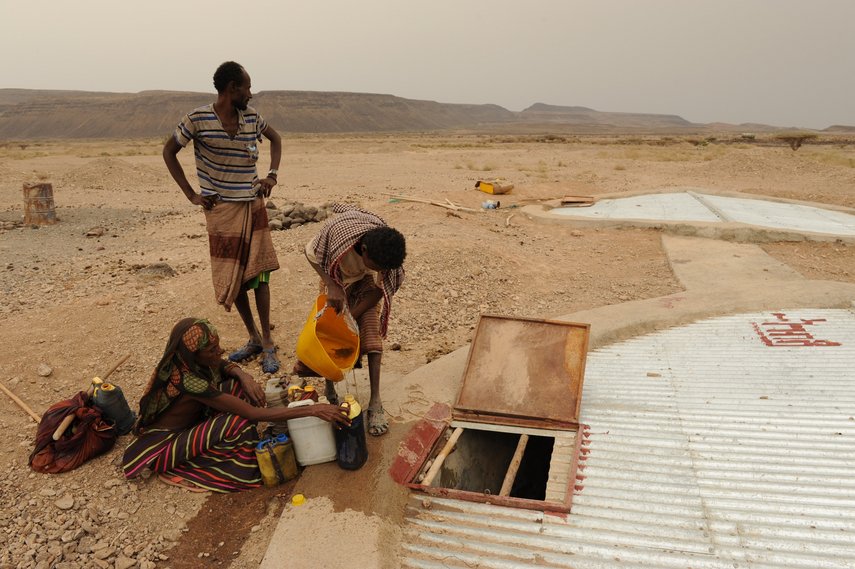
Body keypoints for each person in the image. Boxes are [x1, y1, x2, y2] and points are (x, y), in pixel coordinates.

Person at [122, 318, 349, 492]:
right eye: (211, 350)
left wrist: (242, 374)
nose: (219, 352)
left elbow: (222, 364)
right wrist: (313, 410)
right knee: (238, 423)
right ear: (193, 355)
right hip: (166, 442)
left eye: (217, 346)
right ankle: (184, 469)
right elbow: (253, 413)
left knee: (239, 389)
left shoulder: (189, 362)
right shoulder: (187, 380)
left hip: (193, 418)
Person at [162, 61, 282, 374]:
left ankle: (268, 342)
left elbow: (276, 139)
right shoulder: (197, 119)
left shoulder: (251, 118)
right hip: (221, 213)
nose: (251, 94)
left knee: (260, 275)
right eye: (247, 87)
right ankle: (253, 337)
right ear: (232, 89)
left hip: (253, 206)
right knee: (237, 280)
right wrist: (191, 194)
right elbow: (168, 152)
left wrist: (271, 175)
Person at [294, 204, 405, 437]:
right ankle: (330, 384)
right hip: (335, 279)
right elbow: (309, 253)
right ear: (363, 250)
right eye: (379, 266)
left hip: (365, 283)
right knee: (328, 336)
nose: (384, 270)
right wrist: (332, 285)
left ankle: (375, 402)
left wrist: (351, 317)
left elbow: (380, 290)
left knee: (372, 339)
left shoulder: (387, 255)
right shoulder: (336, 236)